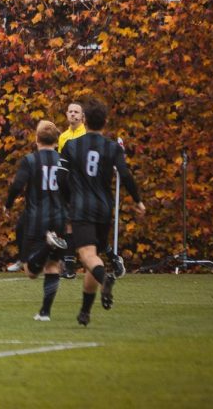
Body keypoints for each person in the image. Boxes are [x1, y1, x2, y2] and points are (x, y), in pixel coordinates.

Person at [59, 99, 145, 327]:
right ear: (105, 122)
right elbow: (125, 175)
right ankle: (85, 312)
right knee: (94, 258)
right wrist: (138, 200)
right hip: (104, 207)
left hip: (82, 207)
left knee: (87, 255)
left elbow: (61, 178)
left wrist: (68, 200)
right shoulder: (113, 147)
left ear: (84, 119)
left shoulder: (72, 146)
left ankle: (106, 278)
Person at [4, 120, 69, 321]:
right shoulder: (64, 162)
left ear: (36, 138)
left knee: (31, 271)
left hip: (36, 218)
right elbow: (70, 191)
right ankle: (45, 312)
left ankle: (46, 247)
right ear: (57, 140)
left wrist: (8, 204)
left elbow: (17, 185)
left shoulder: (31, 160)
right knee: (53, 266)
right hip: (58, 217)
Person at [56, 101, 86, 279]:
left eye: (77, 112)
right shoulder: (63, 137)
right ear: (66, 114)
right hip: (68, 186)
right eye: (70, 111)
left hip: (83, 186)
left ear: (83, 117)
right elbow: (62, 163)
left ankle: (110, 258)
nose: (73, 114)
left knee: (84, 226)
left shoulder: (86, 134)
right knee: (67, 224)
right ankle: (69, 266)